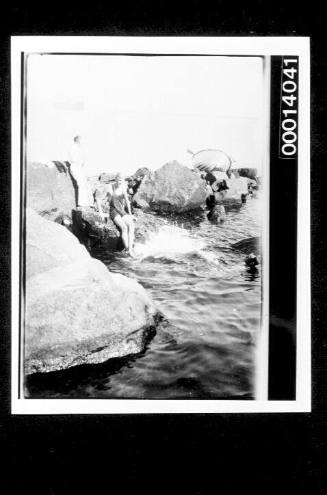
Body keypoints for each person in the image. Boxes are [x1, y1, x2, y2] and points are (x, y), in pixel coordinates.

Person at [110, 173, 137, 256]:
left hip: (121, 211)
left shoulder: (123, 188)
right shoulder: (111, 187)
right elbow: (108, 197)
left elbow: (127, 202)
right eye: (119, 179)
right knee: (124, 227)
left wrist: (130, 214)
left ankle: (130, 249)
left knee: (131, 225)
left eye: (122, 180)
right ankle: (127, 249)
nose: (120, 181)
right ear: (116, 179)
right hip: (114, 211)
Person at [68, 135, 93, 207]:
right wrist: (81, 161)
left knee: (83, 184)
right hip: (75, 167)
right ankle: (82, 203)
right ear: (78, 141)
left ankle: (85, 202)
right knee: (81, 184)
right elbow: (74, 159)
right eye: (81, 141)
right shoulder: (73, 148)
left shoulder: (78, 148)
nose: (82, 143)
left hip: (78, 167)